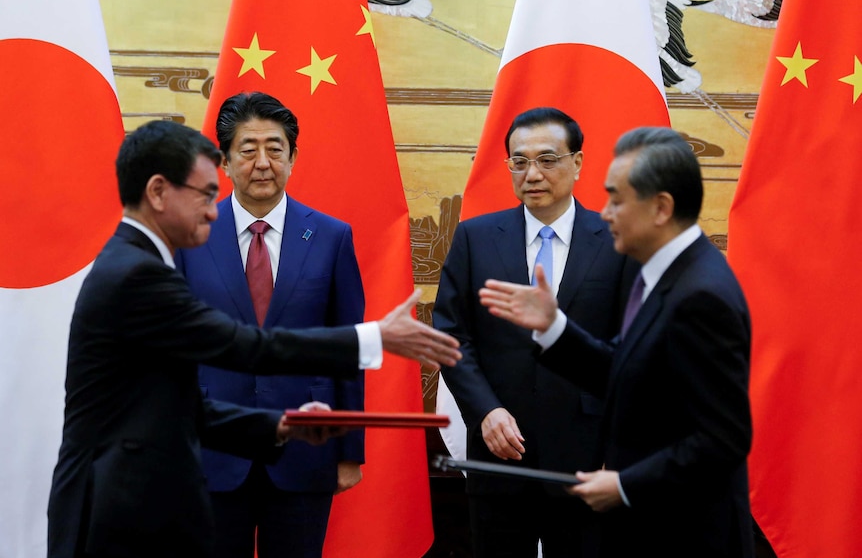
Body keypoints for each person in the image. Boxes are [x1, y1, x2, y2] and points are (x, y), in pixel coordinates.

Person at [46, 119, 461, 558]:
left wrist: (279, 426)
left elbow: (176, 400)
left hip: (124, 496)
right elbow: (246, 345)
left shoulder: (133, 261)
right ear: (158, 192)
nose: (213, 211)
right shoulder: (139, 274)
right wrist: (373, 337)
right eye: (204, 195)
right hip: (112, 507)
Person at [479, 126, 754, 558]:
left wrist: (626, 484)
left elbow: (723, 441)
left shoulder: (701, 295)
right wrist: (554, 329)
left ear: (661, 208)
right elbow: (628, 378)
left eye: (617, 200)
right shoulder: (662, 275)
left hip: (687, 535)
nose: (604, 213)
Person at [433, 107, 636, 558]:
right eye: (519, 162)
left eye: (548, 160)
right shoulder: (475, 238)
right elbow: (451, 334)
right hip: (499, 452)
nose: (533, 174)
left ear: (578, 163)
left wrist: (619, 453)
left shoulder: (618, 239)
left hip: (587, 458)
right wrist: (485, 411)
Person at [174, 92, 364, 558]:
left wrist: (350, 449)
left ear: (293, 157)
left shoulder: (331, 237)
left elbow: (348, 349)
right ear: (224, 160)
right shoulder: (188, 235)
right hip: (211, 453)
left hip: (305, 452)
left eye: (275, 149)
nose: (263, 162)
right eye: (248, 148)